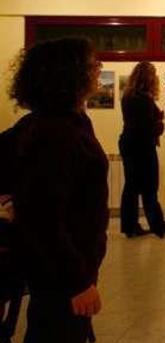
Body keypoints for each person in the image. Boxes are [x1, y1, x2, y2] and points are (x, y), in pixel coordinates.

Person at [8, 38, 108, 343]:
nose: (99, 68)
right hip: (60, 278)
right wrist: (76, 282)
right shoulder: (55, 134)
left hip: (64, 271)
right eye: (92, 65)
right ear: (70, 75)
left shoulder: (59, 123)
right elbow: (43, 217)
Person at [119, 62, 165, 239]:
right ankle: (157, 224)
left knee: (132, 186)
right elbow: (148, 127)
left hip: (129, 142)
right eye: (153, 75)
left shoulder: (128, 96)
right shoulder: (143, 99)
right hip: (142, 145)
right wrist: (159, 122)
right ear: (147, 78)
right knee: (149, 185)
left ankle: (130, 226)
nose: (155, 78)